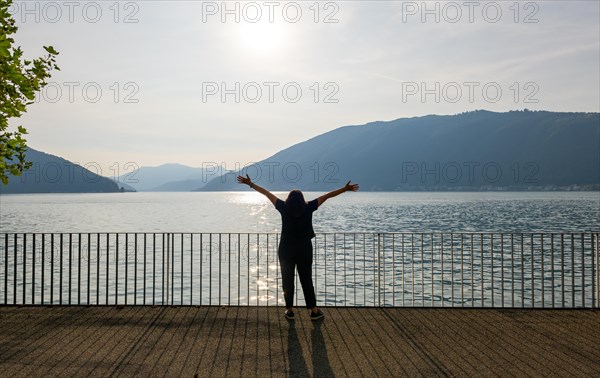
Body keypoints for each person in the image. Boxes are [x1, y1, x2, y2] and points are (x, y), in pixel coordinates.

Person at [236, 174, 359, 320]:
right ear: (302, 199)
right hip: (304, 249)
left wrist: (250, 184)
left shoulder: (282, 207)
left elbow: (266, 193)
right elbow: (327, 195)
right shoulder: (309, 207)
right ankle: (313, 311)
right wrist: (345, 189)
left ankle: (289, 310)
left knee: (287, 280)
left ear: (289, 199)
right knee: (306, 279)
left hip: (286, 250)